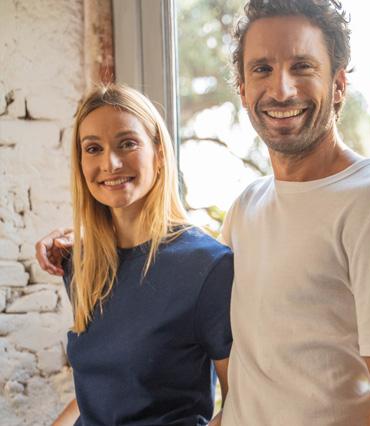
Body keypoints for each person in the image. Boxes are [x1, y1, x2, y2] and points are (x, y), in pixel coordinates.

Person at [37, 1, 370, 425]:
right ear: (242, 89)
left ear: (339, 84)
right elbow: (169, 279)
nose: (281, 90)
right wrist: (85, 240)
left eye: (302, 66)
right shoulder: (249, 206)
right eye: (262, 69)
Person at [36, 84, 233, 426]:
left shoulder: (207, 266)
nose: (110, 163)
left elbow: (241, 403)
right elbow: (102, 392)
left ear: (158, 153)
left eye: (127, 144)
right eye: (93, 148)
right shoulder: (82, 263)